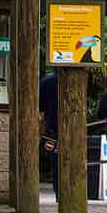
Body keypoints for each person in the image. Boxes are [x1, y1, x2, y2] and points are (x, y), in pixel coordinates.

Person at [39, 71, 59, 200]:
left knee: (56, 159)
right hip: (74, 124)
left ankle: (58, 192)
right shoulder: (83, 77)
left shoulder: (46, 81)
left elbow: (40, 105)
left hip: (52, 126)